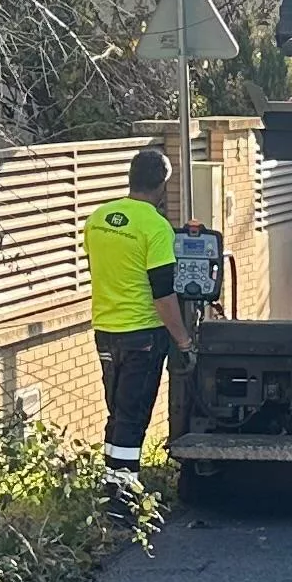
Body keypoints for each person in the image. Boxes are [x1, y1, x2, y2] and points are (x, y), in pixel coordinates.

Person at [82, 145, 194, 518]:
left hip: (105, 329)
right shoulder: (155, 227)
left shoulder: (98, 218)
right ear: (162, 187)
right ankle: (123, 497)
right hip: (143, 334)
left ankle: (112, 484)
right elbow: (163, 293)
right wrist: (183, 339)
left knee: (117, 410)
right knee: (134, 413)